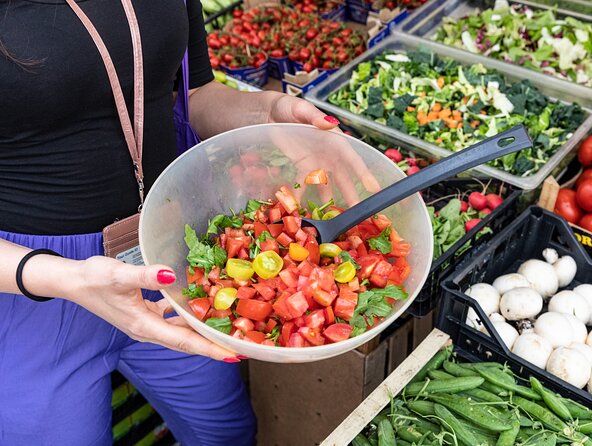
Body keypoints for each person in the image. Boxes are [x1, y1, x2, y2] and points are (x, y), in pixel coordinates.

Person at [0, 1, 362, 445]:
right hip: (32, 289)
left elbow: (191, 95)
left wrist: (268, 113)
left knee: (226, 433)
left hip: (169, 258)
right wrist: (66, 276)